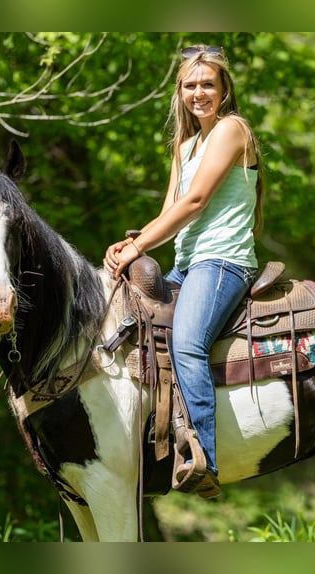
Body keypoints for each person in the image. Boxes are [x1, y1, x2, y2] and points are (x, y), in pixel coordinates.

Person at [103, 44, 264, 499]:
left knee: (188, 344)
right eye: (191, 85)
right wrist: (132, 246)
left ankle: (202, 459)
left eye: (208, 84)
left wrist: (138, 245)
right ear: (180, 92)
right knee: (128, 327)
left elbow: (195, 204)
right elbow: (169, 210)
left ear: (224, 88)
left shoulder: (233, 130)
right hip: (187, 264)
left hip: (223, 262)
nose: (200, 93)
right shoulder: (185, 145)